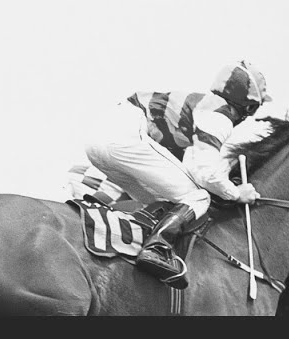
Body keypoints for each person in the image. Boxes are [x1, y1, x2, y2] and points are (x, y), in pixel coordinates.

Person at [85, 60, 270, 289]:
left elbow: (191, 166)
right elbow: (205, 173)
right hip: (123, 138)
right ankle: (156, 249)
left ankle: (130, 246)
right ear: (248, 107)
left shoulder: (203, 105)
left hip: (99, 141)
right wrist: (236, 193)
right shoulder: (219, 115)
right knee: (199, 197)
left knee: (167, 201)